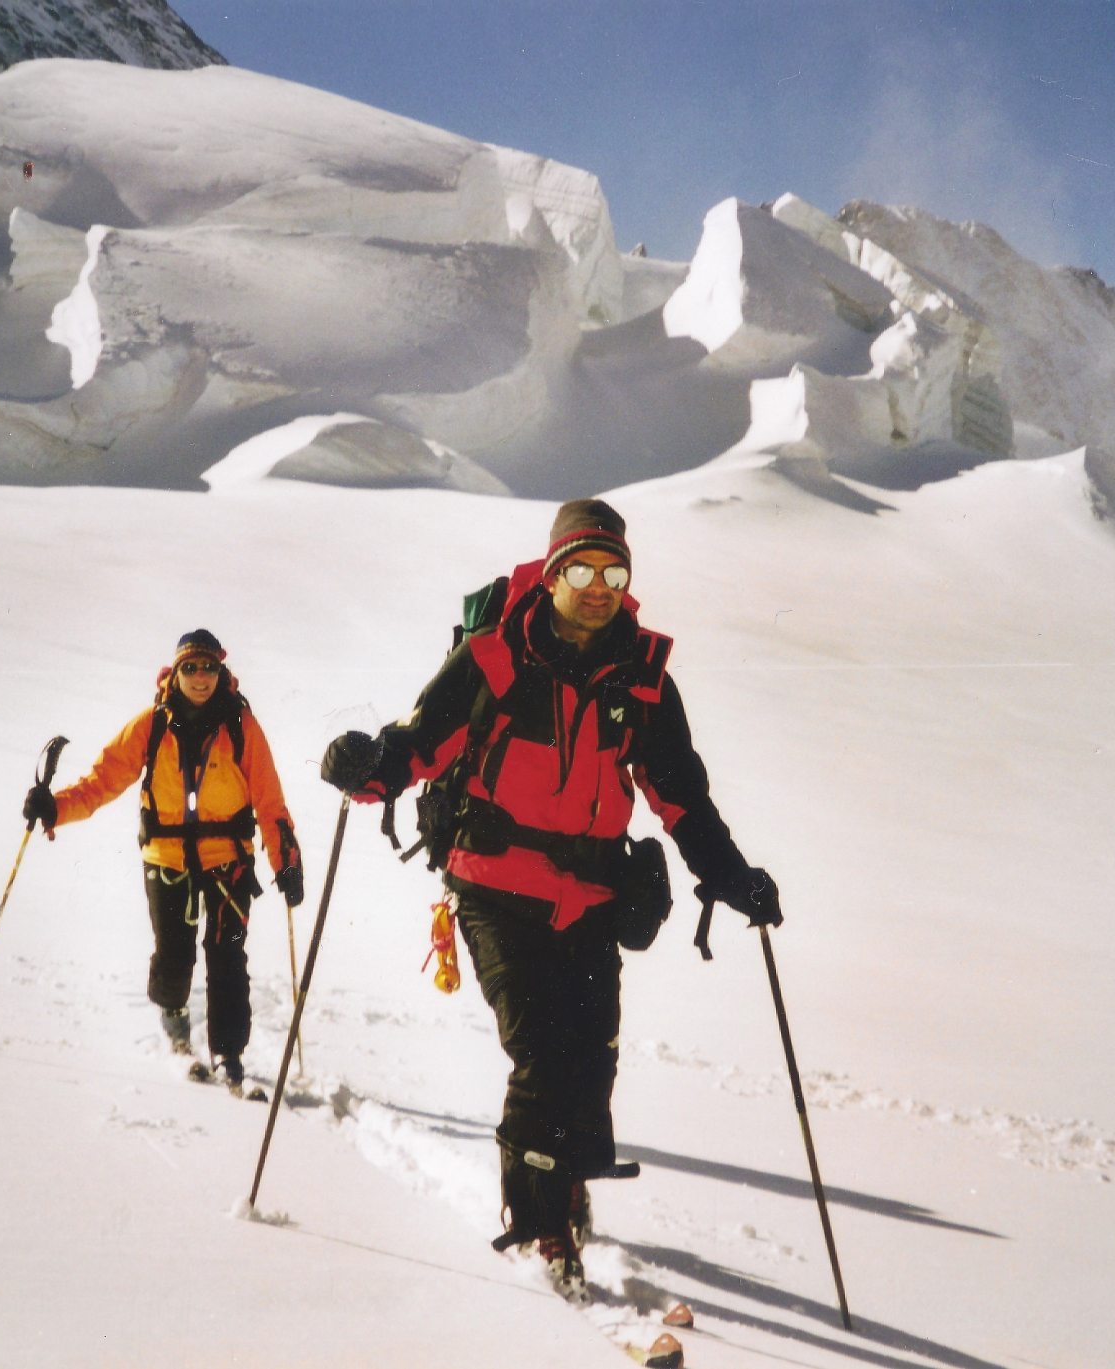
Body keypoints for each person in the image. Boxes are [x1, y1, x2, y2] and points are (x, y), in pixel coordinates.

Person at [320, 499, 779, 1298]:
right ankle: (541, 1223)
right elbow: (420, 742)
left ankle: (564, 1186)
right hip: (494, 887)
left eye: (614, 572)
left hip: (592, 895)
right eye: (583, 569)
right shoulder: (497, 658)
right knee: (540, 1050)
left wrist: (732, 874)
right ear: (554, 571)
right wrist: (369, 770)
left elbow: (681, 796)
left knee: (592, 1053)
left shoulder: (642, 678)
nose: (599, 586)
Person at [23, 629, 304, 1093]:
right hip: (166, 857)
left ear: (221, 671)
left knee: (228, 955)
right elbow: (102, 782)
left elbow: (270, 802)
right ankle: (176, 1026)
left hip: (229, 860)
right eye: (190, 667)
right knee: (173, 954)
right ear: (175, 672)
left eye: (209, 667)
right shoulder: (152, 724)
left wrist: (287, 863)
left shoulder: (242, 725)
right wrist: (54, 808)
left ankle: (228, 1054)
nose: (200, 677)